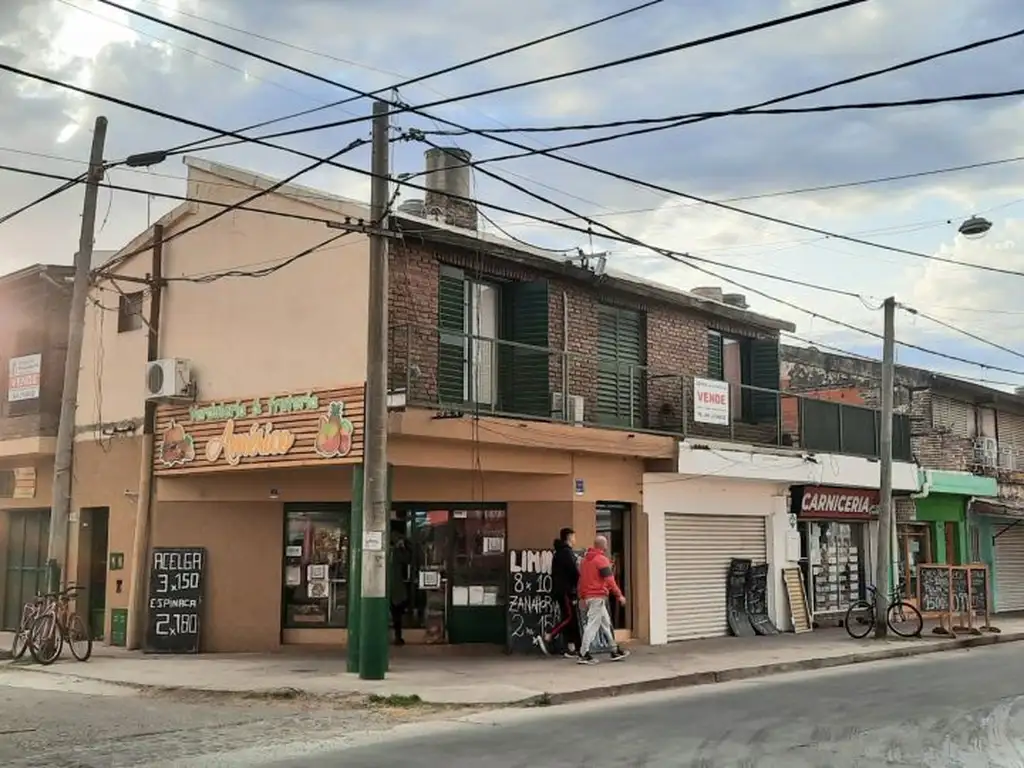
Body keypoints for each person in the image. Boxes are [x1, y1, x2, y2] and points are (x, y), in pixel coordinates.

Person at [576, 535, 629, 665]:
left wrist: (582, 596)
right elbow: (610, 580)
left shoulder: (584, 561)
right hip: (597, 597)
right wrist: (619, 595)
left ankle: (614, 649)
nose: (607, 546)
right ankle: (583, 653)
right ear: (603, 545)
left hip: (589, 597)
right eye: (606, 543)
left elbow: (581, 581)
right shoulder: (601, 560)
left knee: (605, 623)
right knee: (593, 625)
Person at [537, 527, 581, 658]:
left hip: (561, 589)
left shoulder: (559, 552)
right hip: (566, 590)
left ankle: (570, 647)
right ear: (569, 537)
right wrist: (578, 583)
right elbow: (574, 572)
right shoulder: (566, 553)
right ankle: (549, 634)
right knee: (569, 617)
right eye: (574, 537)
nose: (575, 539)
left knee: (570, 618)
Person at [389, 533, 411, 646]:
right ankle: (398, 637)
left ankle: (395, 637)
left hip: (388, 589)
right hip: (395, 590)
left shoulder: (388, 553)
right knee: (397, 616)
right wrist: (403, 548)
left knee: (394, 615)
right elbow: (407, 559)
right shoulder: (397, 553)